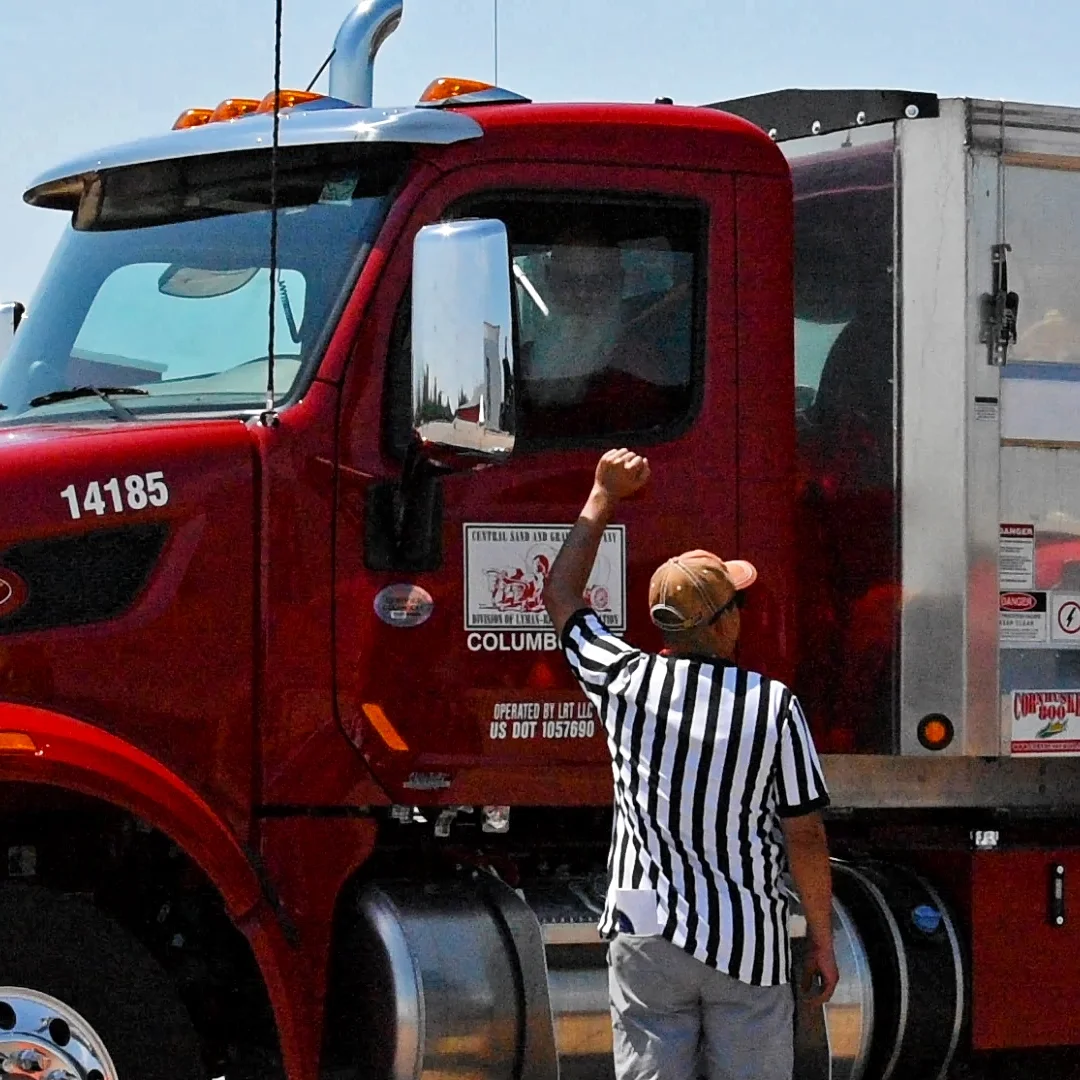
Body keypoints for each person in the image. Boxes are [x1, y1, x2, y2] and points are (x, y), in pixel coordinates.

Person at [543, 448, 838, 1080]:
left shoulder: (620, 681)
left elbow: (560, 594)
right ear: (723, 622)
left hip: (643, 923)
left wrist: (602, 495)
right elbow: (805, 834)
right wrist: (822, 939)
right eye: (738, 605)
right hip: (744, 934)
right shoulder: (773, 705)